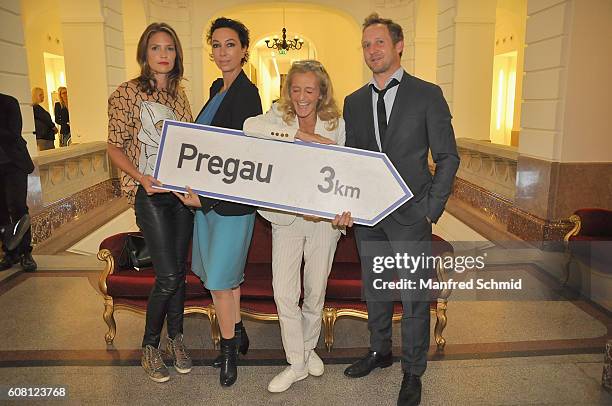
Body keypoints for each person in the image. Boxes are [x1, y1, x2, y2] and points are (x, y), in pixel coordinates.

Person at [333, 13, 459, 406]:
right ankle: (380, 350)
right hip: (369, 218)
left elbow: (448, 156)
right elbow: (353, 159)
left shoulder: (427, 94)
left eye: (379, 43)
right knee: (377, 290)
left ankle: (413, 370)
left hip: (411, 215)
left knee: (414, 296)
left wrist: (430, 209)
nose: (372, 50)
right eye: (366, 45)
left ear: (398, 45)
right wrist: (348, 204)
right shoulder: (353, 102)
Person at [242, 60, 345, 393]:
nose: (302, 97)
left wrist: (343, 211)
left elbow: (344, 171)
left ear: (321, 93)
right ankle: (297, 362)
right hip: (285, 219)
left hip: (322, 222)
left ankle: (305, 350)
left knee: (315, 292)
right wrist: (302, 135)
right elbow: (247, 127)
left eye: (309, 90)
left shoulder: (336, 123)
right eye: (296, 89)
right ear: (288, 91)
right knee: (284, 293)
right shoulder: (275, 117)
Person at [173, 17, 262, 388]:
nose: (222, 52)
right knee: (219, 279)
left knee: (222, 282)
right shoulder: (215, 88)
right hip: (204, 204)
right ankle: (238, 333)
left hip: (230, 205)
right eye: (217, 45)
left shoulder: (247, 93)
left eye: (230, 44)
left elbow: (242, 159)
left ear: (244, 50)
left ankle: (228, 353)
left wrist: (204, 197)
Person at [106, 22, 194, 383]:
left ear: (177, 55)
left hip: (180, 197)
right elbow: (113, 145)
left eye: (169, 48)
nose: (163, 55)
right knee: (168, 274)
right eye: (156, 48)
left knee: (179, 275)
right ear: (145, 54)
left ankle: (177, 340)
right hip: (150, 195)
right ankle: (150, 346)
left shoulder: (179, 96)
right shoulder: (127, 93)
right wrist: (142, 178)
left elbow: (190, 143)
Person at [0, 93, 37, 273]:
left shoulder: (9, 102)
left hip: (14, 164)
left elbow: (13, 133)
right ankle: (10, 252)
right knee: (1, 210)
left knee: (17, 207)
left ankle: (25, 253)